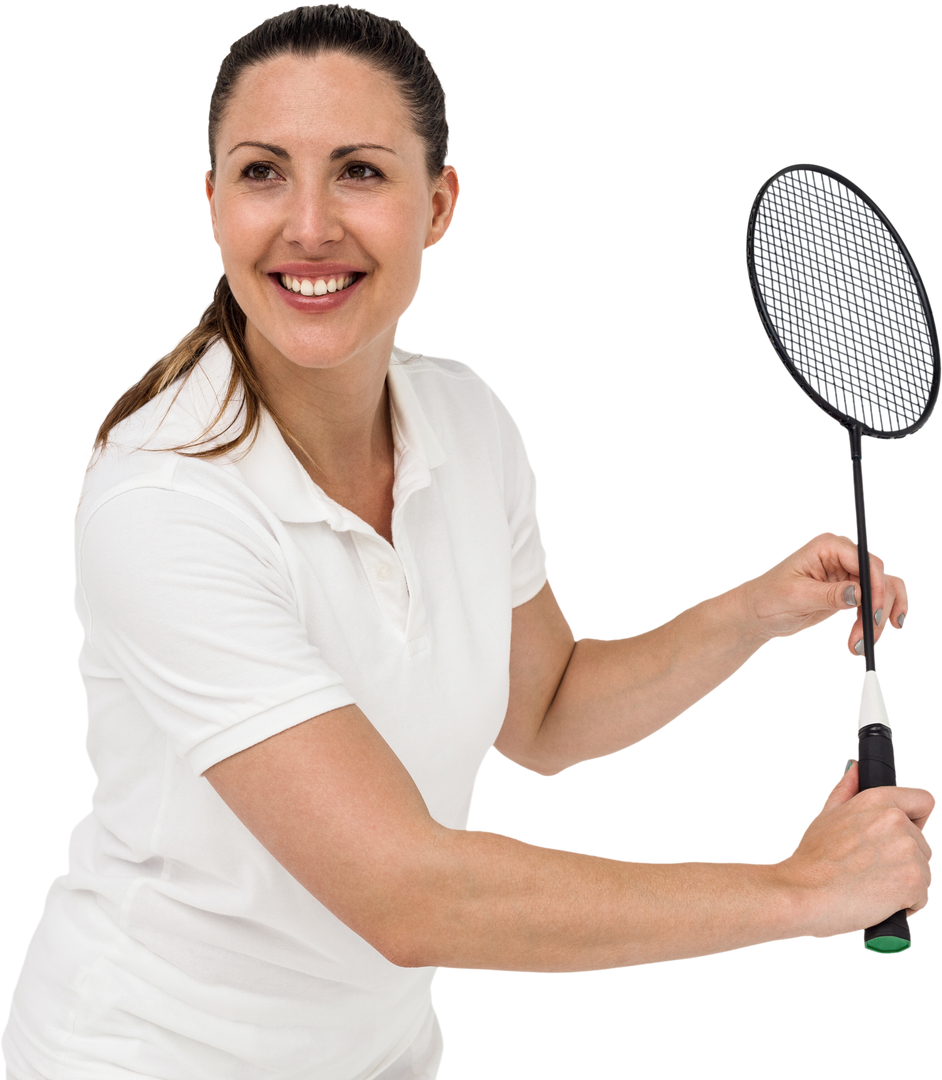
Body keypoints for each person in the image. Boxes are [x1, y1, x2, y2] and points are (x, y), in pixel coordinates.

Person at [2, 4, 936, 1078]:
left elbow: (544, 713)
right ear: (210, 199)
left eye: (359, 171)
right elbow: (407, 893)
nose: (308, 226)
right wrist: (798, 892)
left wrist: (757, 612)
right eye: (262, 172)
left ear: (438, 202)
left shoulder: (464, 418)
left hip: (387, 1056)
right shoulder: (161, 500)